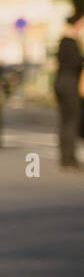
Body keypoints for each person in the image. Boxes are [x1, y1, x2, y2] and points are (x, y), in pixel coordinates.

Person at [54, 11, 83, 169]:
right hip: (70, 84)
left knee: (65, 121)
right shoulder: (71, 42)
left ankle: (66, 158)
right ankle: (69, 159)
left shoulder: (63, 40)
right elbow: (76, 63)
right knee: (72, 121)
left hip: (61, 83)